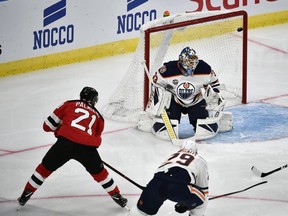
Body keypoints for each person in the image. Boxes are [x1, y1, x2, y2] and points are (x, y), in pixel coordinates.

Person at [17, 87, 127, 209]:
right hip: (87, 149)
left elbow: (47, 126)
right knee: (101, 174)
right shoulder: (99, 118)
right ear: (94, 100)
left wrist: (60, 129)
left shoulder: (68, 104)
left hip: (64, 144)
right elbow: (96, 141)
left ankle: (25, 194)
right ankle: (117, 196)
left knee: (43, 170)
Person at [139, 46, 225, 140]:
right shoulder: (168, 70)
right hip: (174, 100)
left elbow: (215, 84)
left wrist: (214, 95)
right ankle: (156, 119)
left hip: (196, 100)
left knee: (202, 127)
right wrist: (157, 104)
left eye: (194, 62)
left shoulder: (204, 69)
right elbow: (156, 85)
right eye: (189, 61)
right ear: (182, 60)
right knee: (169, 127)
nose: (192, 65)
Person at [136, 139, 209, 215]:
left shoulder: (172, 155)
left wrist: (150, 190)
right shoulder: (200, 160)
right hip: (177, 187)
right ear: (195, 151)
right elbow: (203, 189)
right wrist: (187, 205)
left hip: (156, 183)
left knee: (141, 212)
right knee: (202, 200)